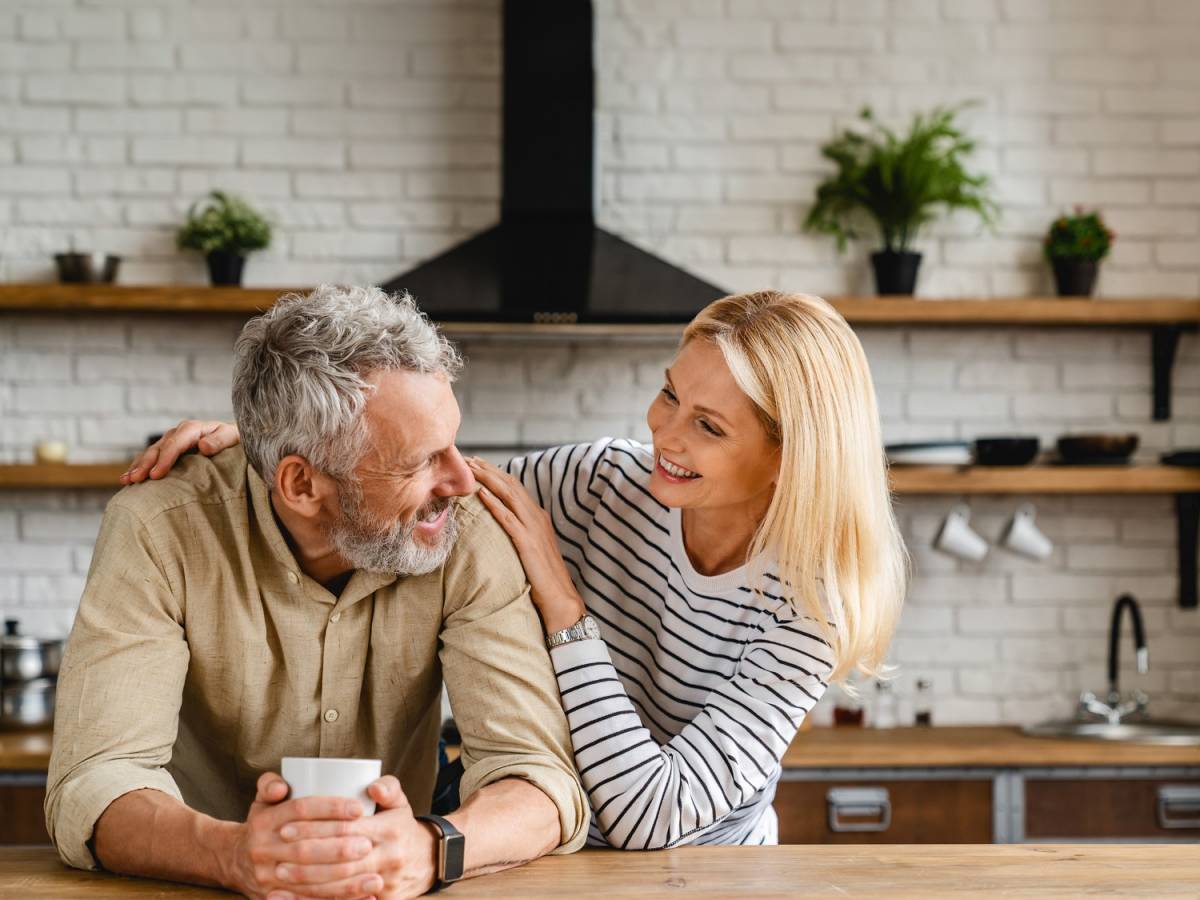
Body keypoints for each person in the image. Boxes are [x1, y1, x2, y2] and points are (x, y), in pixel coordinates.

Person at [127, 289, 907, 851]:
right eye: (669, 394)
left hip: (701, 873)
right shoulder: (605, 481)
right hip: (538, 852)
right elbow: (410, 479)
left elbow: (653, 815)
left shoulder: (812, 606)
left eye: (707, 426)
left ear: (790, 459)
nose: (663, 432)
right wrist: (274, 441)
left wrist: (564, 608)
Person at [47, 285, 588, 900]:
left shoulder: (464, 529)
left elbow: (540, 781)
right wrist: (230, 855)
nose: (462, 479)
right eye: (419, 461)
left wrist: (434, 848)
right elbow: (94, 784)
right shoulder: (158, 528)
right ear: (301, 484)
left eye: (454, 442)